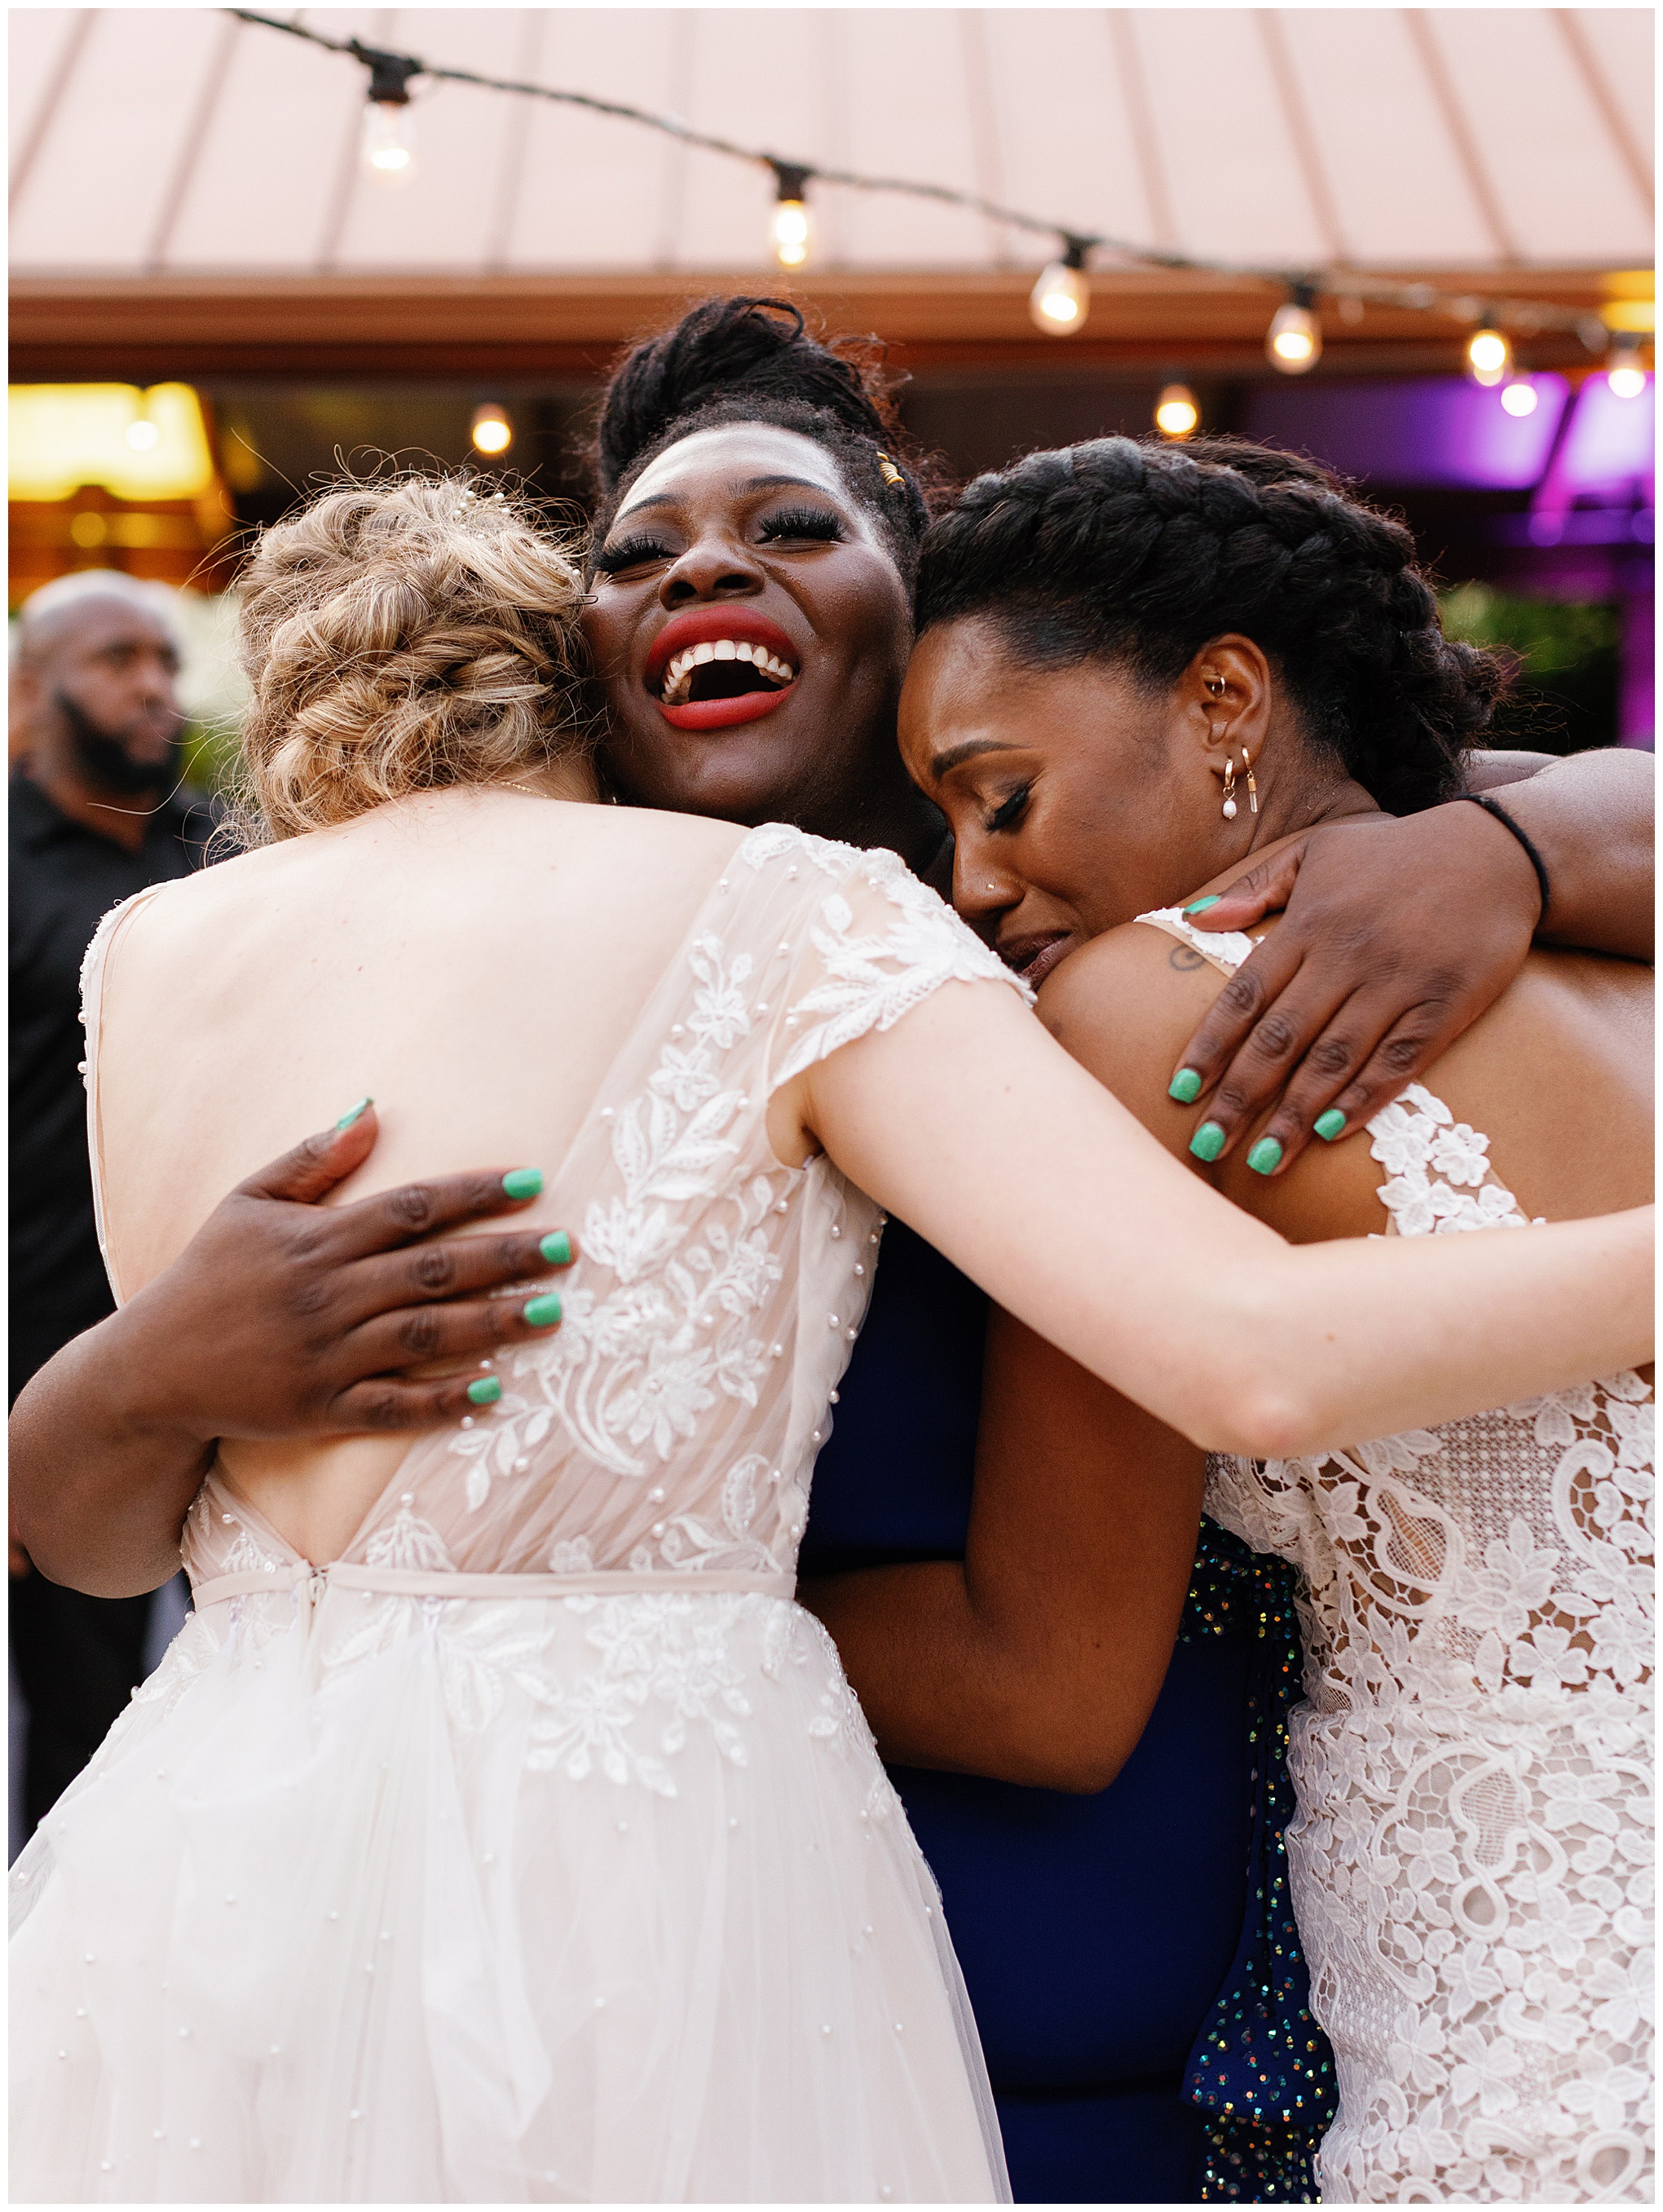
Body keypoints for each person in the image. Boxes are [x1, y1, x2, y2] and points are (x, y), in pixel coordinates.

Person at [10, 299, 1657, 2202]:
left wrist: (1508, 846)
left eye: (796, 528)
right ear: (591, 659)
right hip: (566, 1944)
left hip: (1079, 1945)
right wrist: (157, 1378)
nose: (709, 562)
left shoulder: (1162, 944)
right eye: (636, 553)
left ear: (912, 609)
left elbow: (1069, 1638)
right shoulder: (533, 985)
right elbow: (122, 1523)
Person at [876, 431, 1653, 2201]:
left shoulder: (1151, 1009)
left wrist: (635, 1605)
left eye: (999, 794)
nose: (974, 885)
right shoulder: (1616, 935)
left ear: (1227, 696)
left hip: (1542, 2013)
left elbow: (1047, 1678)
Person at [9, 572, 209, 1842]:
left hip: (238, 1355)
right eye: (116, 659)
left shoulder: (230, 855)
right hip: (54, 1378)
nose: (152, 684)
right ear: (31, 691)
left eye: (164, 659)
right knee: (85, 1737)